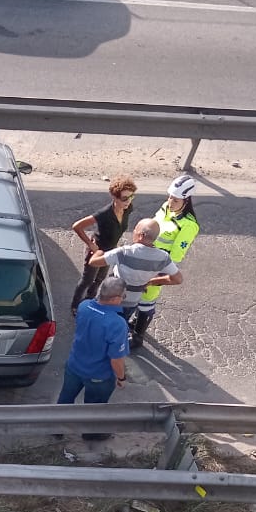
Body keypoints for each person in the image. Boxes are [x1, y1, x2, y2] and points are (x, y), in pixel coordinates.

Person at [129, 173, 200, 347]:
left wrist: (154, 278)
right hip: (143, 259)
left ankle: (138, 336)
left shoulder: (189, 225)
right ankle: (135, 320)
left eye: (175, 200)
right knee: (136, 296)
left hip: (157, 267)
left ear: (186, 200)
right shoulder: (165, 208)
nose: (170, 202)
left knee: (147, 300)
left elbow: (174, 257)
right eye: (169, 197)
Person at [57, 276, 130, 439]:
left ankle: (56, 428)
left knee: (65, 397)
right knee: (94, 407)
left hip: (74, 366)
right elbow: (116, 358)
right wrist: (121, 377)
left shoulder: (83, 306)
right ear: (117, 298)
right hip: (98, 376)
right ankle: (91, 435)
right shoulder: (117, 324)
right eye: (123, 296)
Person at [88, 219, 182, 327]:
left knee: (101, 321)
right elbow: (178, 279)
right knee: (120, 323)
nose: (133, 231)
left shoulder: (124, 252)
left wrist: (98, 252)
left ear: (141, 235)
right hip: (132, 301)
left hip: (111, 297)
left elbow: (93, 263)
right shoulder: (163, 257)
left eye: (135, 229)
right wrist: (151, 282)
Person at [68, 175, 137, 315]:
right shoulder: (104, 213)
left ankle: (89, 302)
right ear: (114, 197)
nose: (128, 201)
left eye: (131, 197)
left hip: (110, 251)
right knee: (87, 280)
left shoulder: (127, 209)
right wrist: (90, 244)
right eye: (124, 198)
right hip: (97, 251)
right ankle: (75, 306)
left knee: (99, 279)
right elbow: (77, 226)